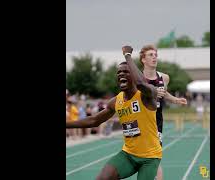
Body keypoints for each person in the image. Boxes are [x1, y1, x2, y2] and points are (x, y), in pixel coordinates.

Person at [66, 45, 162, 180]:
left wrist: (127, 55)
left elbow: (141, 83)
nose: (121, 74)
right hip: (128, 155)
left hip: (150, 157)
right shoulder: (116, 101)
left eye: (126, 72)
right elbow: (94, 120)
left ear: (134, 75)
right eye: (118, 73)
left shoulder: (147, 94)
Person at [139, 44, 188, 180]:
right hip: (140, 120)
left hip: (156, 121)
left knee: (155, 157)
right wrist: (152, 93)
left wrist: (176, 100)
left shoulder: (164, 77)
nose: (154, 57)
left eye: (156, 55)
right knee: (141, 158)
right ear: (143, 59)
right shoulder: (137, 78)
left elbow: (164, 93)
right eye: (150, 55)